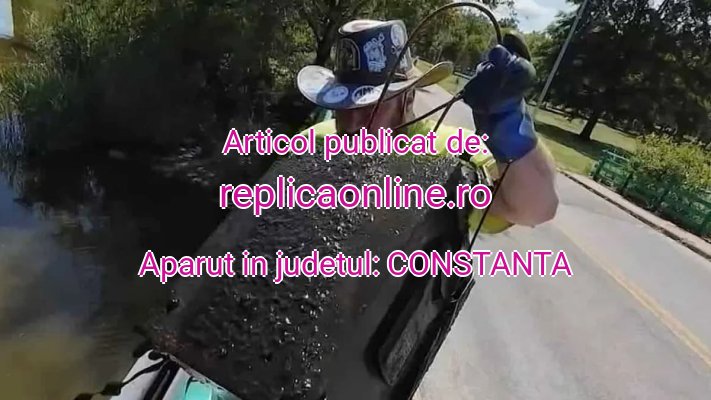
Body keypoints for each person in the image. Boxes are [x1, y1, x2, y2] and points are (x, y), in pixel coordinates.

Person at [296, 19, 558, 235]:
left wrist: (512, 127)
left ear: (407, 97)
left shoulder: (454, 155)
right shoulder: (313, 142)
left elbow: (536, 209)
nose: (352, 123)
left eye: (369, 106)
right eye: (343, 104)